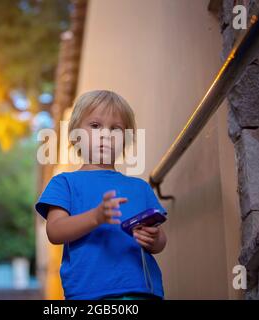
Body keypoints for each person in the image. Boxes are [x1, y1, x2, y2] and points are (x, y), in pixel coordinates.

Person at [35, 90, 167, 300]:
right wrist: (96, 217)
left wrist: (155, 238)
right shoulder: (64, 183)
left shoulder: (141, 187)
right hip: (88, 294)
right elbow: (55, 231)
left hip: (143, 291)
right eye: (95, 126)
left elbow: (159, 242)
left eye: (116, 129)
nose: (105, 134)